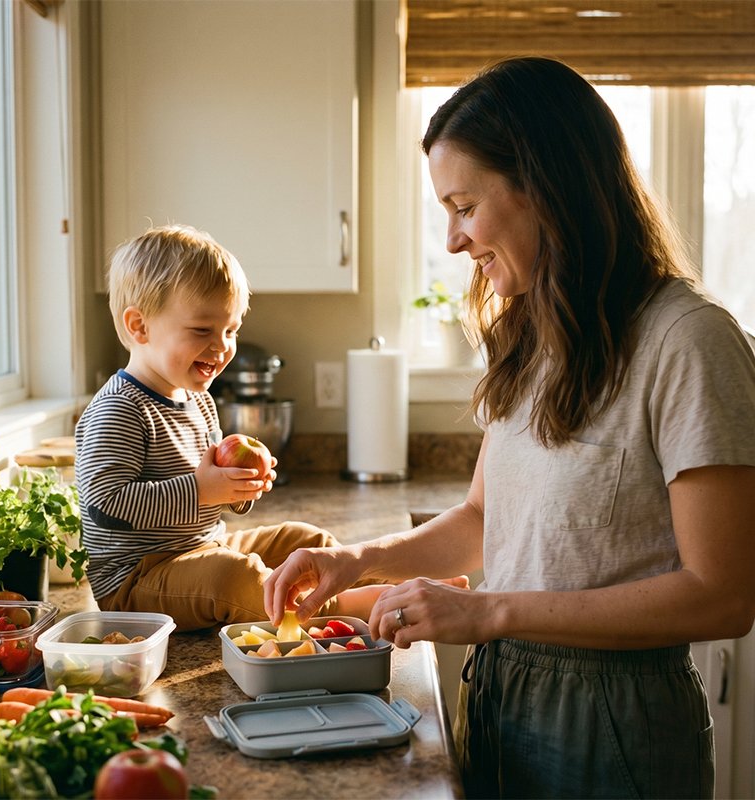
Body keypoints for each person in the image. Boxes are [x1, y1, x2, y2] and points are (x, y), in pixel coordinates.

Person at [264, 57, 755, 799]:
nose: (455, 241)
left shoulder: (688, 341)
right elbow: (483, 519)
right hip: (503, 696)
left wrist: (488, 610)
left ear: (545, 186)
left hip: (616, 722)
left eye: (463, 206)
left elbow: (724, 595)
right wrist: (354, 560)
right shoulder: (532, 337)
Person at [76, 224, 383, 631]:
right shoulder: (119, 408)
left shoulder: (199, 400)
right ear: (140, 327)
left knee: (307, 541)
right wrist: (202, 489)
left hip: (201, 547)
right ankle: (353, 607)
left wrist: (239, 489)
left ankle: (389, 587)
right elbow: (107, 500)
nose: (222, 346)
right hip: (136, 580)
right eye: (203, 330)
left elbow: (213, 498)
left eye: (231, 330)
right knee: (236, 577)